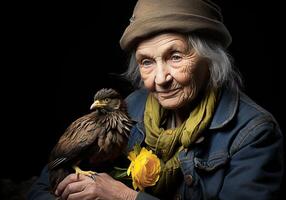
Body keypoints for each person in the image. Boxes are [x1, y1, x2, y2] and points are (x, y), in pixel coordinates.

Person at [28, 0, 284, 199]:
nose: (160, 79)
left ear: (211, 59)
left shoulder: (254, 132)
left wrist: (125, 197)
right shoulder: (132, 107)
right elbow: (40, 189)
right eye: (147, 62)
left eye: (175, 57)